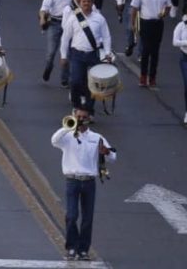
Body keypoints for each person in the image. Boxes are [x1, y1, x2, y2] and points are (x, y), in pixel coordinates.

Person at [52, 105, 117, 262]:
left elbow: (113, 156)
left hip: (89, 182)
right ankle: (71, 247)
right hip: (72, 180)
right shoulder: (67, 136)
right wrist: (68, 126)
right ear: (74, 116)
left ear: (89, 119)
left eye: (83, 117)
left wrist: (106, 152)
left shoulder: (96, 137)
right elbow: (54, 140)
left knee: (87, 218)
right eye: (78, 116)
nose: (81, 120)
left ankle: (83, 250)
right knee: (72, 215)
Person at [60, 0, 113, 114]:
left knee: (92, 84)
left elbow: (106, 37)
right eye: (83, 1)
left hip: (93, 55)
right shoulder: (73, 18)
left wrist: (107, 53)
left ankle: (88, 110)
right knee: (75, 81)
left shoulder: (99, 18)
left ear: (92, 3)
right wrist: (63, 56)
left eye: (88, 1)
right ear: (80, 3)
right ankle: (77, 106)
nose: (86, 3)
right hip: (77, 55)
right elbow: (65, 38)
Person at [130, 0, 172, 87]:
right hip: (145, 23)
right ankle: (143, 76)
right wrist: (133, 24)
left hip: (158, 23)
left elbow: (168, 6)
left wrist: (164, 13)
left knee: (155, 51)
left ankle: (152, 77)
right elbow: (134, 8)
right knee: (146, 50)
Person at [40, 0, 74, 86]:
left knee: (67, 53)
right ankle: (48, 67)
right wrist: (43, 19)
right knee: (51, 52)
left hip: (69, 24)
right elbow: (44, 8)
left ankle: (64, 79)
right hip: (54, 23)